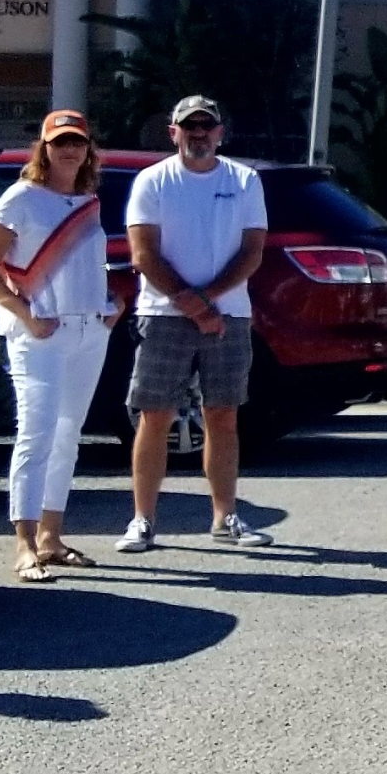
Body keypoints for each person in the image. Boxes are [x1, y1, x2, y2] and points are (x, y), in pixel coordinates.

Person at [116, 94, 273, 553]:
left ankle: (226, 517)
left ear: (220, 133)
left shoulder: (244, 181)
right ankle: (143, 520)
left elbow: (252, 251)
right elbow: (143, 254)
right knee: (155, 416)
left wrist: (209, 302)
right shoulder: (152, 181)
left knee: (222, 414)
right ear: (174, 132)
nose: (198, 134)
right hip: (163, 315)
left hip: (230, 313)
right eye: (189, 126)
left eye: (207, 126)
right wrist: (192, 305)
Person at [0, 110, 120, 581]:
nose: (69, 150)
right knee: (35, 435)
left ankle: (52, 539)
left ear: (88, 149)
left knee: (67, 435)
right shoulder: (21, 199)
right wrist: (24, 314)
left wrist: (109, 301)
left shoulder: (88, 201)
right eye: (60, 143)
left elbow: (88, 268)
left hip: (88, 330)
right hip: (40, 334)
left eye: (77, 142)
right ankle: (24, 545)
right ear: (44, 149)